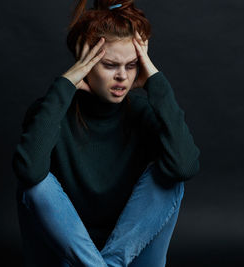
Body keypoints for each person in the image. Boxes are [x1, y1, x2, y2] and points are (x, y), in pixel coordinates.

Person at [12, 0, 200, 266]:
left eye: (132, 65)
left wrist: (155, 81)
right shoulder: (50, 111)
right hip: (67, 257)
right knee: (35, 186)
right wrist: (65, 85)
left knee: (169, 179)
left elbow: (185, 166)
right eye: (110, 65)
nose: (122, 76)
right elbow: (29, 173)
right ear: (85, 65)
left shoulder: (142, 113)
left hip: (129, 253)